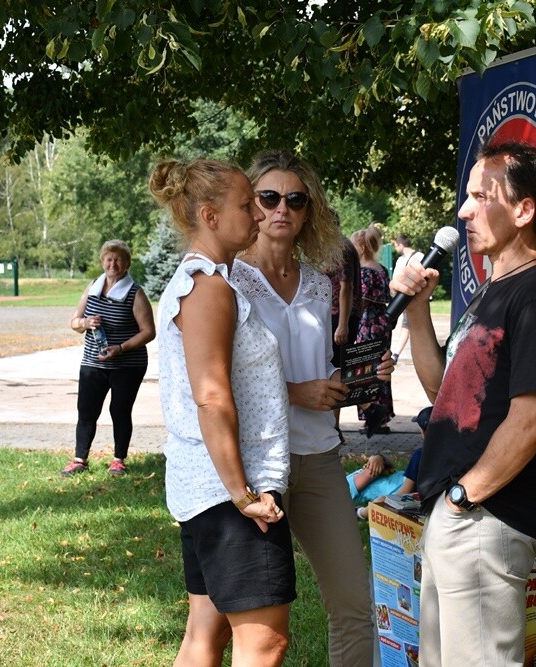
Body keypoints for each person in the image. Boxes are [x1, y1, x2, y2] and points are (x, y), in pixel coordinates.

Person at [389, 141, 536, 666]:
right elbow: (443, 394)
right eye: (466, 197)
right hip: (456, 514)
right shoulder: (492, 290)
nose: (464, 211)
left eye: (481, 197)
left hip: (486, 516)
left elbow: (531, 422)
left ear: (523, 210)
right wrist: (417, 310)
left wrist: (463, 498)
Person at [231, 149, 383, 667]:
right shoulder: (230, 282)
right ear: (250, 203)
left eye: (296, 199)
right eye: (269, 197)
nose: (282, 209)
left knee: (355, 604)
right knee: (252, 625)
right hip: (256, 465)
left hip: (318, 456)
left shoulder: (319, 284)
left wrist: (359, 378)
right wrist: (296, 392)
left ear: (308, 210)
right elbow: (211, 382)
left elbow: (321, 370)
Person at [148, 158, 294, 666]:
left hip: (208, 487)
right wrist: (243, 494)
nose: (259, 214)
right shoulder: (207, 285)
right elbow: (210, 396)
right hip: (229, 492)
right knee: (264, 642)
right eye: (246, 204)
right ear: (210, 216)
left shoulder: (206, 281)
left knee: (204, 634)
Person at [61, 240, 156, 477]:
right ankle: (79, 460)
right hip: (93, 362)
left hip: (127, 364)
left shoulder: (135, 293)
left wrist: (121, 348)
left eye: (118, 260)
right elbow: (74, 322)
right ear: (102, 262)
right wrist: (84, 323)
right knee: (87, 411)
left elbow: (148, 332)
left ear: (127, 264)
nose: (113, 264)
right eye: (108, 259)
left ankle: (118, 460)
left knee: (120, 411)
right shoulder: (93, 286)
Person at [352, 223, 395, 435]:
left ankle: (372, 414)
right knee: (382, 368)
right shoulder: (382, 270)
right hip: (383, 322)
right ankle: (383, 417)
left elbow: (360, 302)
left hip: (366, 323)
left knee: (364, 369)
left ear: (360, 248)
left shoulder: (362, 273)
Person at [325, 209, 362, 442]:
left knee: (336, 369)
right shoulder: (337, 246)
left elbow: (346, 287)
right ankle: (332, 425)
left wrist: (343, 325)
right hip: (335, 316)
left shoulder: (342, 248)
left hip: (340, 317)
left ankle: (334, 427)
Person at [391, 233, 424, 361]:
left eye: (396, 245)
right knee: (408, 326)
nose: (395, 249)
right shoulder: (418, 256)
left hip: (411, 298)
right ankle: (396, 353)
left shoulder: (413, 258)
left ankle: (396, 354)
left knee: (408, 326)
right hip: (407, 297)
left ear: (401, 244)